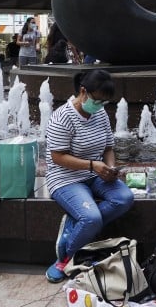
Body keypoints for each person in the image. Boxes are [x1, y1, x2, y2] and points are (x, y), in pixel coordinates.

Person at [44, 70, 133, 283]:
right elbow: (57, 157)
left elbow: (109, 147)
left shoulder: (99, 114)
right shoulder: (62, 116)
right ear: (83, 92)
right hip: (65, 177)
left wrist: (110, 168)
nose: (100, 106)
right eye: (97, 100)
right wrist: (93, 166)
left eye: (104, 102)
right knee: (91, 218)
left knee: (125, 199)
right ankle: (65, 257)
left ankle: (75, 226)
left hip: (96, 173)